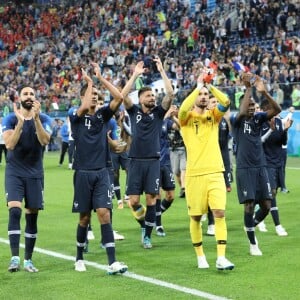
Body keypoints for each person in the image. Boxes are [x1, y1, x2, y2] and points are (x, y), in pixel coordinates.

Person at [69, 63, 127, 274]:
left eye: (96, 94)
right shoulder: (75, 117)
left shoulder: (103, 117)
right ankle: (78, 257)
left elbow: (119, 98)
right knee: (84, 218)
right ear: (83, 96)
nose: (94, 96)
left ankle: (112, 262)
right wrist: (89, 82)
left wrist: (100, 79)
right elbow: (83, 106)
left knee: (104, 214)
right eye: (91, 94)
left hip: (102, 172)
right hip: (83, 173)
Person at [178, 70, 234, 271]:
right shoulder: (185, 119)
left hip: (215, 173)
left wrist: (209, 86)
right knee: (195, 217)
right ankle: (200, 256)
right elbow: (183, 108)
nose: (203, 97)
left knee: (219, 212)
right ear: (195, 98)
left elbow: (226, 102)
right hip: (194, 175)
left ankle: (221, 257)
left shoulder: (214, 116)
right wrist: (197, 86)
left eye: (205, 95)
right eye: (200, 95)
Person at [121, 57, 174, 249]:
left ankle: (148, 236)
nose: (152, 97)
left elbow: (170, 93)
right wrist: (135, 75)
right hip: (135, 161)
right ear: (140, 99)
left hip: (153, 161)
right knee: (134, 202)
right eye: (148, 96)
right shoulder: (133, 111)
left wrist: (162, 71)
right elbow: (122, 96)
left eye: (153, 95)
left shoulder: (159, 113)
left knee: (152, 199)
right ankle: (144, 224)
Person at [230, 73, 281, 256]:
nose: (251, 108)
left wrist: (265, 92)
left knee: (266, 205)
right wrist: (249, 87)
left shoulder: (259, 119)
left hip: (260, 167)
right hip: (244, 169)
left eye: (253, 105)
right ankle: (253, 244)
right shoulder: (237, 120)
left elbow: (277, 110)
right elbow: (243, 111)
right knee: (249, 206)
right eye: (249, 105)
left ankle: (250, 226)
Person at [2, 86, 52, 272]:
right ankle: (14, 258)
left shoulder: (44, 118)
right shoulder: (10, 119)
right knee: (15, 210)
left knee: (32, 216)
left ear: (36, 99)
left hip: (35, 173)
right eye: (26, 94)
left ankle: (28, 260)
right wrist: (21, 123)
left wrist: (36, 120)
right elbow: (9, 144)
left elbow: (45, 141)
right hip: (15, 172)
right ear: (19, 98)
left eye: (32, 94)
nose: (29, 96)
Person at [259, 102, 293, 236]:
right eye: (274, 110)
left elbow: (283, 142)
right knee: (271, 193)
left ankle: (256, 218)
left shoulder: (279, 122)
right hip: (266, 164)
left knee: (270, 195)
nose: (277, 112)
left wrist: (285, 130)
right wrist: (270, 130)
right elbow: (261, 141)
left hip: (278, 164)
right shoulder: (261, 123)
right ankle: (278, 225)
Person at [155, 105, 177, 237]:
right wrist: (168, 114)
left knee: (170, 196)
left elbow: (177, 127)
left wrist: (174, 116)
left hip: (166, 162)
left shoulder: (167, 122)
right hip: (154, 162)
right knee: (156, 195)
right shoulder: (155, 121)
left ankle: (153, 214)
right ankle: (158, 224)